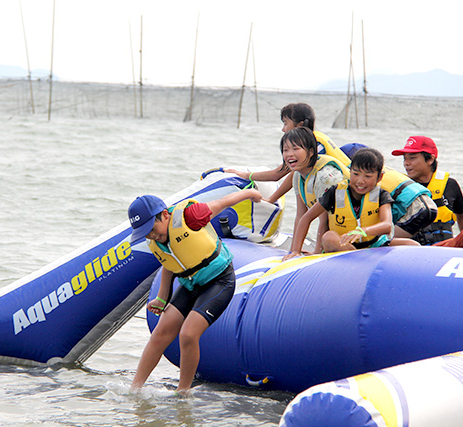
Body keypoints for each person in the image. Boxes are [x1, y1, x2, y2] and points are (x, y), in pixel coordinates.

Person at [127, 188, 263, 395]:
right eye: (146, 233)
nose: (152, 235)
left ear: (164, 215)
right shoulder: (157, 240)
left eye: (152, 228)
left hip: (219, 280)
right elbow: (169, 265)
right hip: (191, 285)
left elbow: (223, 202)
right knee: (160, 333)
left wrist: (250, 193)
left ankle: (183, 393)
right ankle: (134, 391)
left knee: (188, 334)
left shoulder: (191, 216)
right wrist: (162, 298)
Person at [285, 148, 419, 261]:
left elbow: (387, 225)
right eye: (356, 174)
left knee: (413, 245)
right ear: (350, 172)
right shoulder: (335, 192)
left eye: (367, 176)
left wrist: (363, 231)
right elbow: (306, 218)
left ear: (379, 177)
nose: (360, 181)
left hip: (374, 246)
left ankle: (362, 260)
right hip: (343, 245)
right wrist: (295, 250)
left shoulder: (381, 195)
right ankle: (360, 261)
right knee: (329, 237)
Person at [225, 103, 350, 201]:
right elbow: (293, 176)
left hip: (348, 188)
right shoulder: (316, 137)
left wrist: (245, 175)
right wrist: (272, 199)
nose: (283, 129)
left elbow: (277, 174)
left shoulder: (314, 143)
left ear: (299, 125)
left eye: (285, 123)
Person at [391, 135, 463, 248]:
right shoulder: (400, 188)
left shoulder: (450, 185)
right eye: (404, 159)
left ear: (430, 159)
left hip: (445, 248)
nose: (406, 163)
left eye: (412, 158)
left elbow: (462, 216)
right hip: (414, 249)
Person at [340, 143, 438, 240]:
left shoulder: (354, 175)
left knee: (379, 241)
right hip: (426, 204)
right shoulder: (378, 170)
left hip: (417, 209)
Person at [279, 127, 349, 253]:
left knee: (328, 238)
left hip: (351, 232)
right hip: (338, 232)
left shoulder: (325, 177)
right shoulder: (298, 175)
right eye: (285, 150)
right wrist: (294, 251)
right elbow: (300, 215)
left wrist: (316, 254)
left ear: (311, 151)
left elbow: (325, 220)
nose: (289, 154)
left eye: (296, 149)